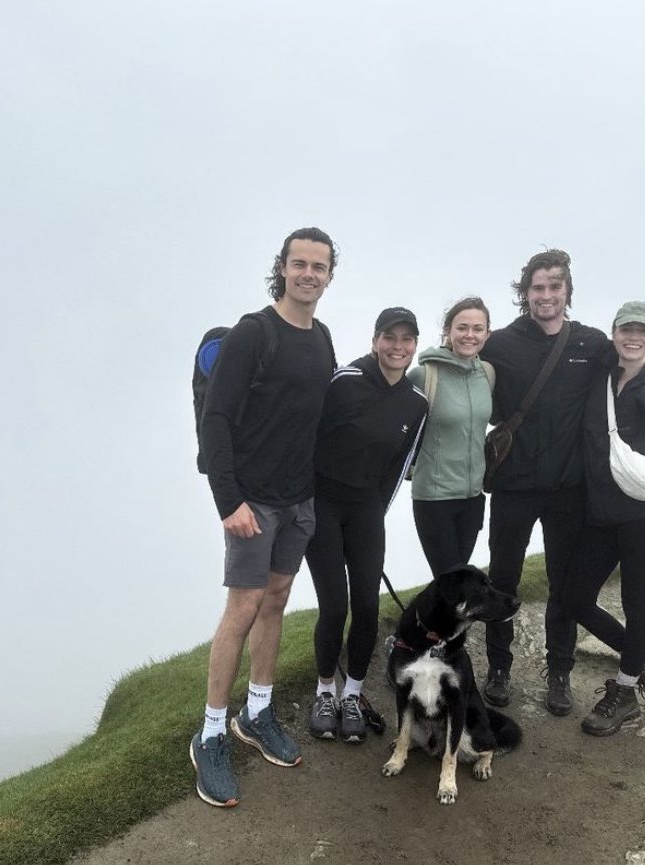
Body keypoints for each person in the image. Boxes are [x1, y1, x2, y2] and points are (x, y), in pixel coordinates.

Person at [190, 227, 338, 808]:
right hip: (253, 503)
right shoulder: (255, 333)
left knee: (276, 601)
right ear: (282, 268)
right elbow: (218, 420)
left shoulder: (321, 338)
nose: (308, 274)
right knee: (243, 607)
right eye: (298, 264)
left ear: (330, 275)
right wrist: (229, 502)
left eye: (318, 266)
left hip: (298, 500)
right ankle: (210, 734)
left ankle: (257, 713)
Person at [478, 249, 611, 712]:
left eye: (555, 286)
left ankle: (559, 674)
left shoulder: (591, 344)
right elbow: (450, 356)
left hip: (568, 490)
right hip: (514, 485)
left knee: (564, 583)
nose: (547, 295)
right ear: (525, 293)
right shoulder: (499, 342)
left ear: (567, 291)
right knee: (503, 581)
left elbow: (632, 368)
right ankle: (498, 668)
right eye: (538, 287)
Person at [305, 308, 427, 743]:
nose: (398, 347)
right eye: (390, 337)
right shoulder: (346, 380)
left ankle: (353, 694)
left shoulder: (417, 403)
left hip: (366, 510)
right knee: (335, 606)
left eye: (407, 339)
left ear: (415, 344)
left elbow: (398, 465)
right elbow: (310, 436)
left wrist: (377, 510)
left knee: (368, 607)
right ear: (376, 340)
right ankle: (325, 691)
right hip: (322, 503)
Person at [568, 301, 645, 736]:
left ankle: (623, 692)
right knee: (574, 598)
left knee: (639, 607)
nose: (633, 338)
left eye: (643, 331)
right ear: (614, 332)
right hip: (600, 514)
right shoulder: (601, 368)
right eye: (626, 329)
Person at [406, 297, 494, 578]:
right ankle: (424, 623)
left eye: (478, 329)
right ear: (448, 331)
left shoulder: (487, 374)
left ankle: (433, 624)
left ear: (487, 334)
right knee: (452, 582)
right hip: (434, 499)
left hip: (473, 498)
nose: (470, 335)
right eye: (462, 327)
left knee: (455, 586)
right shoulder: (423, 375)